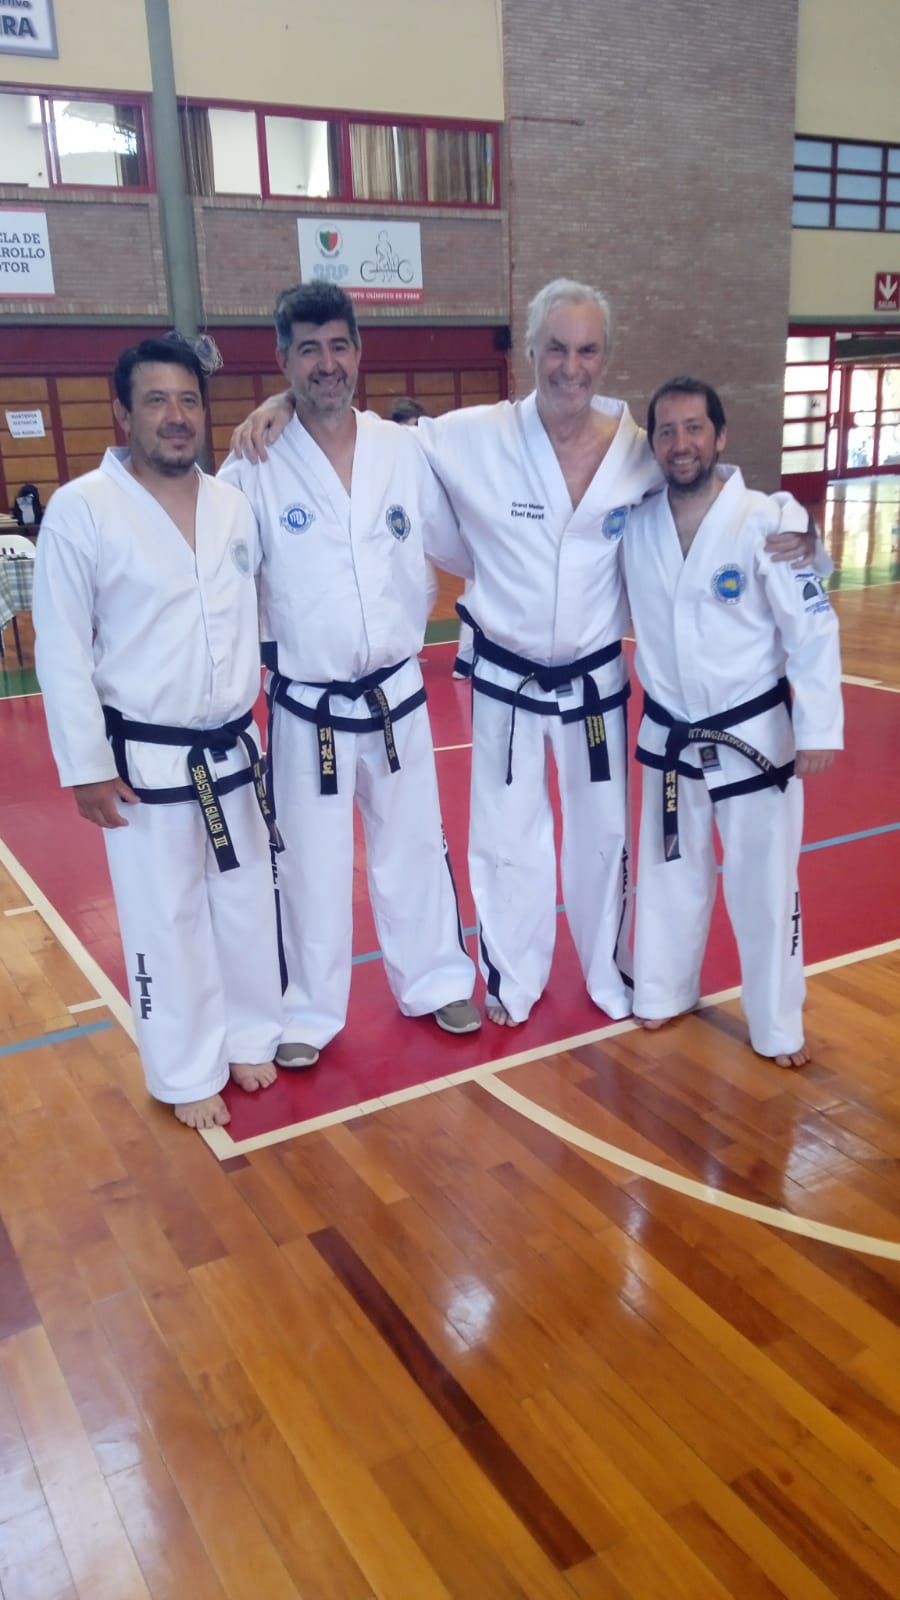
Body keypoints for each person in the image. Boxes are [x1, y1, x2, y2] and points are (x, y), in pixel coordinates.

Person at [230, 279, 818, 1032]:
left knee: (602, 841)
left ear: (605, 356)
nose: (571, 366)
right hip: (499, 681)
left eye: (587, 350)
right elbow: (353, 428)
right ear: (530, 352)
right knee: (506, 844)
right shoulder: (472, 435)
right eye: (556, 349)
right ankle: (511, 981)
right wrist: (282, 405)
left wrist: (796, 526)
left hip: (593, 684)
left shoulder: (638, 451)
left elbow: (707, 483)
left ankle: (607, 976)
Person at [219, 283, 478, 1068]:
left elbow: (463, 539)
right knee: (308, 863)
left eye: (338, 346)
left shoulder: (406, 451)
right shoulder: (254, 465)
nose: (326, 364)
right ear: (283, 360)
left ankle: (436, 978)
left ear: (359, 352)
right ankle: (306, 1010)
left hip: (397, 693)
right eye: (308, 350)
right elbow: (218, 578)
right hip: (308, 708)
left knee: (415, 845)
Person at [33, 333, 283, 1130]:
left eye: (187, 400)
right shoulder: (83, 509)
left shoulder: (233, 504)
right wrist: (84, 764)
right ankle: (183, 1068)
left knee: (245, 900)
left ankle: (249, 1035)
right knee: (166, 916)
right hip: (145, 756)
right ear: (123, 413)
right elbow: (62, 646)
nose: (176, 416)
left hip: (232, 745)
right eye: (156, 401)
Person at [624, 377, 843, 1067]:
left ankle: (778, 1026)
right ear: (654, 445)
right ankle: (663, 989)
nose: (680, 443)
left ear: (719, 436)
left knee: (765, 888)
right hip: (671, 735)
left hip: (753, 737)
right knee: (668, 871)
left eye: (694, 428)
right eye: (666, 431)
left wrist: (817, 727)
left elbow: (812, 625)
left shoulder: (765, 521)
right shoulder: (637, 523)